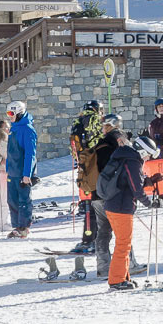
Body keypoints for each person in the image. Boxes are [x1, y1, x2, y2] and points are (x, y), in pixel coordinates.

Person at [99, 134, 162, 291]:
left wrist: (149, 181)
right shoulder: (133, 161)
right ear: (142, 151)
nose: (147, 159)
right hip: (120, 207)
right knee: (123, 243)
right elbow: (136, 189)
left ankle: (123, 277)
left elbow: (128, 181)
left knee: (123, 243)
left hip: (115, 205)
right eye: (148, 155)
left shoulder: (126, 157)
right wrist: (150, 203)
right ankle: (116, 281)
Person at [91, 114, 144, 277]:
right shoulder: (120, 142)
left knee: (103, 231)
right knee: (123, 233)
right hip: (114, 194)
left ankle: (103, 266)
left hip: (96, 192)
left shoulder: (99, 143)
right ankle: (130, 264)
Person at [70, 101, 104, 253]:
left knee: (90, 202)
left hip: (84, 165)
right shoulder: (95, 120)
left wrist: (80, 162)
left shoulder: (77, 122)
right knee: (98, 202)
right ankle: (95, 240)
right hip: (96, 164)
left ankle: (87, 237)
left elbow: (73, 146)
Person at [6, 101, 37, 238]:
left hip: (22, 171)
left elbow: (30, 154)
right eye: (8, 114)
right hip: (12, 170)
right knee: (12, 200)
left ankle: (24, 227)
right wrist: (7, 167)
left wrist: (27, 174)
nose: (9, 117)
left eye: (11, 114)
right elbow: (11, 150)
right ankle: (17, 226)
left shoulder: (27, 129)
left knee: (23, 200)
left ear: (19, 113)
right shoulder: (14, 128)